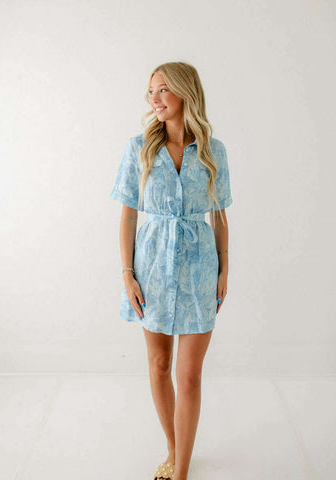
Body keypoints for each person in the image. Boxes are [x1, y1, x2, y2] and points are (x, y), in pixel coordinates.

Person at [109, 61, 232, 480]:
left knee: (190, 375)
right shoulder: (138, 148)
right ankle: (174, 447)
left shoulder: (213, 151)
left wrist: (224, 269)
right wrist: (127, 273)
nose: (155, 98)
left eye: (163, 89)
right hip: (152, 268)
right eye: (151, 91)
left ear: (184, 92)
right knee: (160, 364)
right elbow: (128, 215)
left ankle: (180, 472)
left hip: (200, 269)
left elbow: (219, 215)